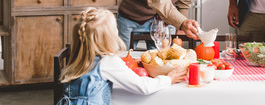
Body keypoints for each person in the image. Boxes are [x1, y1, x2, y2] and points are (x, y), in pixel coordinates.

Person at [57, 8, 186, 105]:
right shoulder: (107, 62)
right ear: (109, 38)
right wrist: (169, 79)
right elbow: (143, 87)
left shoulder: (79, 57)